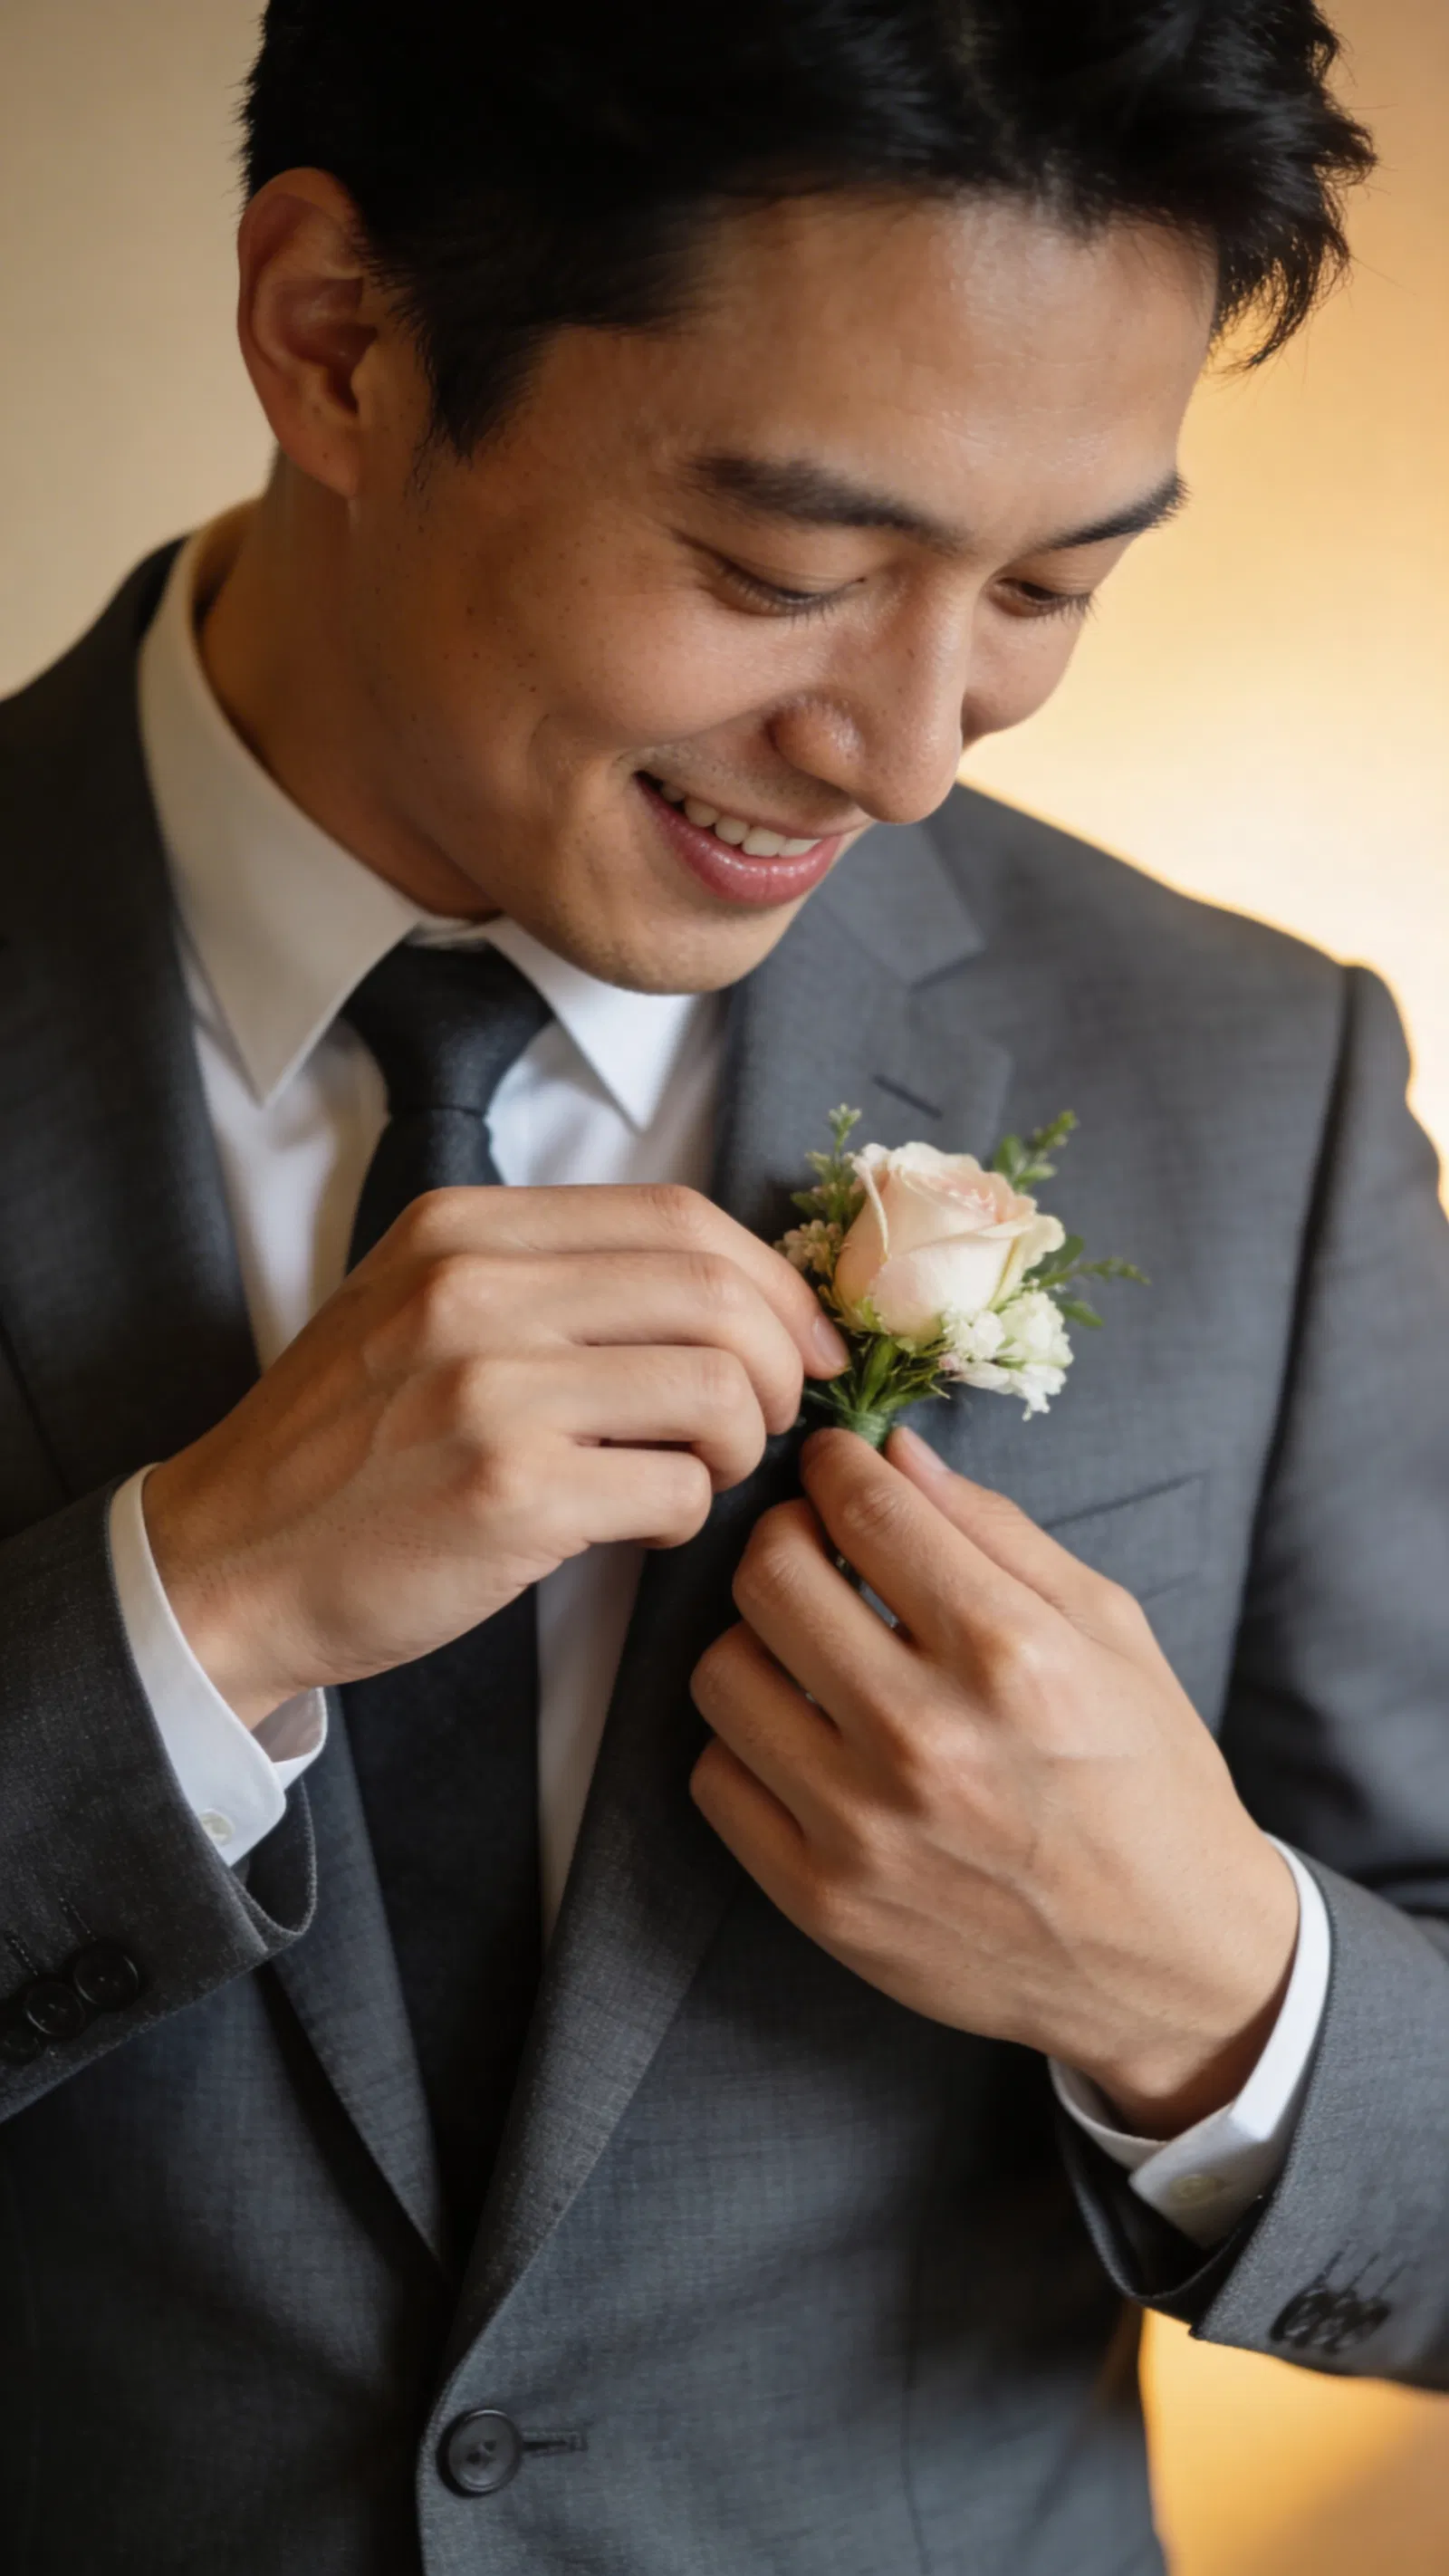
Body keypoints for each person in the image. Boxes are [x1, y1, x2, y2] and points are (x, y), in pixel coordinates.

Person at [1, 3, 1443, 2569]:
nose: (906, 750)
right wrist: (179, 1618)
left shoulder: (1260, 1080)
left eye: (1048, 585)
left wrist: (1215, 1991)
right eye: (784, 570)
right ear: (336, 337)